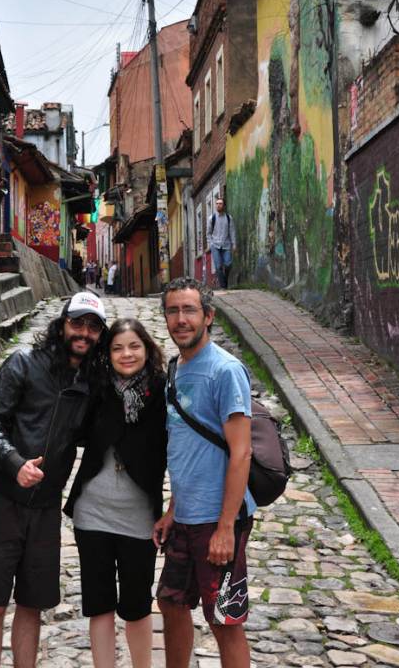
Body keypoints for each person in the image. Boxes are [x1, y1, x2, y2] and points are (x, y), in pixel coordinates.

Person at [0, 292, 107, 668]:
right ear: (62, 325)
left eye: (93, 327)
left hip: (46, 509)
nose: (83, 333)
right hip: (3, 499)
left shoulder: (92, 383)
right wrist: (15, 463)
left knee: (32, 606)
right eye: (77, 323)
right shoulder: (23, 364)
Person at [154, 277, 255, 668]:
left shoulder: (225, 371)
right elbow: (186, 449)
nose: (181, 319)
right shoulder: (175, 369)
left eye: (189, 310)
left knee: (225, 620)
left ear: (208, 316)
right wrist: (173, 509)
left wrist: (226, 527)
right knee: (171, 602)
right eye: (173, 310)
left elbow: (241, 451)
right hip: (186, 517)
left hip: (219, 519)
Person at [64, 318, 167, 668]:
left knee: (138, 605)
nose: (126, 354)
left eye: (134, 346)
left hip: (140, 516)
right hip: (92, 512)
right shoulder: (98, 389)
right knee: (99, 603)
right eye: (117, 347)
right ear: (107, 354)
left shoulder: (163, 392)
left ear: (147, 349)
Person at [207, 198, 236, 289]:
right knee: (218, 266)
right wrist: (210, 243)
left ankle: (225, 280)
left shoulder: (228, 218)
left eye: (220, 203)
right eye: (217, 203)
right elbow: (208, 233)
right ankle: (223, 286)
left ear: (224, 206)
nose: (218, 205)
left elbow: (232, 231)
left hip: (226, 245)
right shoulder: (212, 218)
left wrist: (234, 244)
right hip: (215, 245)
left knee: (228, 264)